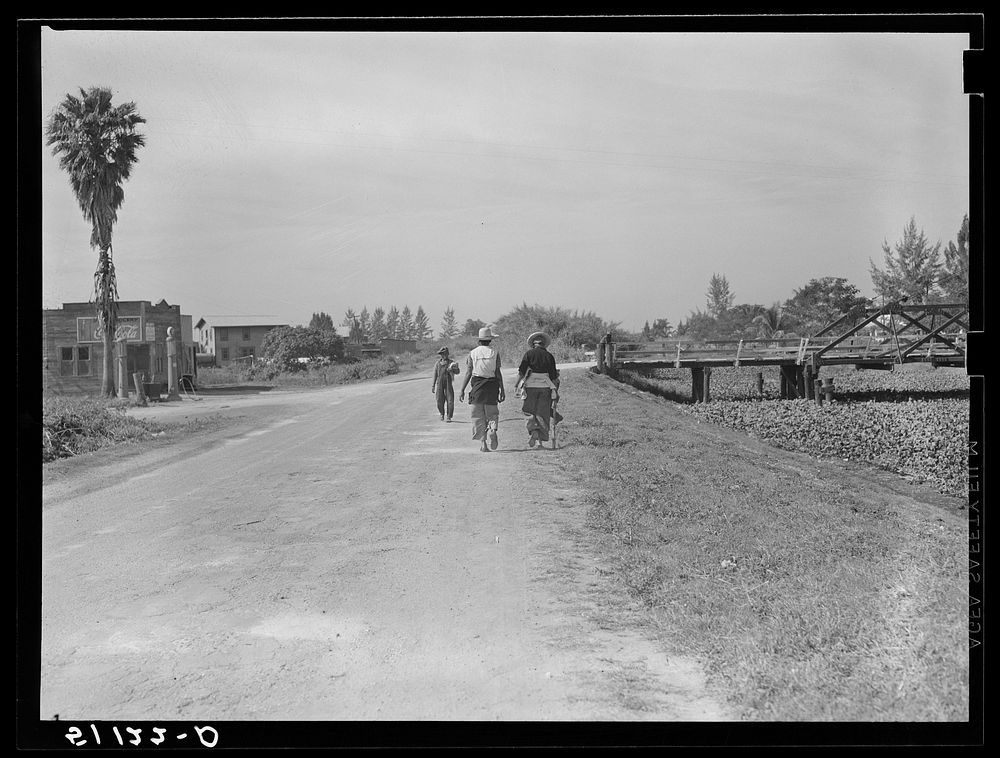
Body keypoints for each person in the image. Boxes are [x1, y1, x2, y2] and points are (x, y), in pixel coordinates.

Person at [458, 326, 506, 452]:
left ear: (479, 341)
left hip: (477, 387)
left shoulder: (472, 353)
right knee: (492, 413)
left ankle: (483, 444)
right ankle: (492, 430)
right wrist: (502, 389)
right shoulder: (495, 353)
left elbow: (468, 372)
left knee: (478, 416)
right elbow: (497, 372)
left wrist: (462, 390)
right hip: (492, 387)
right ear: (490, 340)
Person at [516, 331, 561, 448]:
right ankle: (540, 441)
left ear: (533, 344)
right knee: (542, 413)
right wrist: (555, 391)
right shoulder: (549, 356)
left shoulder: (528, 354)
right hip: (545, 387)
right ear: (544, 344)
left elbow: (521, 372)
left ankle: (533, 430)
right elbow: (553, 376)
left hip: (530, 387)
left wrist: (516, 385)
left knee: (529, 411)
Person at [431, 346, 458, 422]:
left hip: (448, 383)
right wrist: (433, 385)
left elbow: (457, 372)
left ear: (448, 354)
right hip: (439, 383)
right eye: (442, 354)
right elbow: (435, 374)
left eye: (445, 354)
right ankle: (442, 414)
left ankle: (449, 416)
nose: (443, 355)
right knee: (439, 399)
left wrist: (453, 369)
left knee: (450, 400)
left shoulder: (451, 362)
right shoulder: (437, 363)